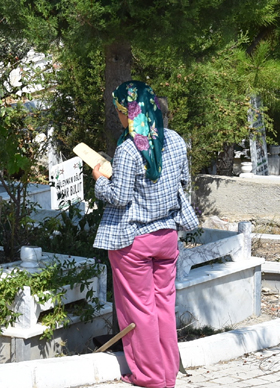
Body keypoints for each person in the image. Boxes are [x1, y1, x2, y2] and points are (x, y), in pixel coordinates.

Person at [92, 81, 198, 388]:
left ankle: (149, 377)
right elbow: (183, 181)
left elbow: (120, 197)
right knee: (163, 305)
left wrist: (100, 179)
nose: (119, 117)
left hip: (133, 241)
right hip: (167, 236)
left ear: (129, 113)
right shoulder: (175, 140)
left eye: (119, 112)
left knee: (139, 310)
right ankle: (166, 373)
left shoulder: (127, 149)